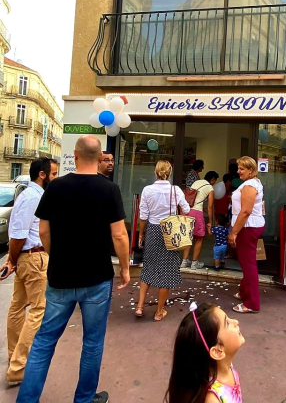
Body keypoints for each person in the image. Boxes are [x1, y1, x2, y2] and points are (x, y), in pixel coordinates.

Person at [16, 135, 130, 403]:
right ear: (100, 157)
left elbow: (43, 229)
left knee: (44, 342)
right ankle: (84, 398)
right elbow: (120, 236)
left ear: (75, 156)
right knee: (92, 343)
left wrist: (57, 256)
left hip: (60, 278)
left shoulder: (55, 187)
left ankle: (26, 400)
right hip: (97, 278)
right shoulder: (109, 190)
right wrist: (125, 267)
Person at [0, 158, 58, 386]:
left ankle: (14, 357)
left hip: (26, 258)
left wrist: (14, 260)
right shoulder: (33, 197)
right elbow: (18, 234)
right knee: (38, 310)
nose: (55, 177)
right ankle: (18, 367)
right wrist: (12, 259)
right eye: (53, 173)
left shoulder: (27, 195)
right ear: (42, 175)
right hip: (33, 258)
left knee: (17, 307)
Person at [136, 160, 190, 321]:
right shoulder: (176, 190)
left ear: (155, 172)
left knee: (148, 267)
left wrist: (141, 234)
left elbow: (143, 216)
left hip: (152, 230)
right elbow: (186, 209)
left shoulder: (147, 190)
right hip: (170, 232)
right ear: (170, 173)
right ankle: (159, 311)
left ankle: (139, 306)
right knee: (166, 271)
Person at [165, 302, 244, 403]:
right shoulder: (212, 399)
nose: (236, 321)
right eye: (227, 323)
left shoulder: (227, 365)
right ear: (217, 351)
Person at [228, 157, 265, 314]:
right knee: (246, 262)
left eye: (242, 168)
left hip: (247, 228)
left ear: (251, 170)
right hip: (250, 226)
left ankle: (252, 303)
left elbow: (245, 211)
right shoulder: (253, 182)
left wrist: (234, 232)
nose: (238, 171)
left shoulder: (250, 185)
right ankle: (244, 292)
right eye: (238, 168)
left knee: (248, 264)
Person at [181, 171, 219, 270]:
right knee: (199, 237)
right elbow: (210, 207)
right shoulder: (210, 188)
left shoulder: (196, 182)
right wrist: (210, 221)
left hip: (187, 211)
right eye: (215, 180)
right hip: (197, 213)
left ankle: (184, 261)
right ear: (212, 179)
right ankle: (194, 263)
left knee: (188, 237)